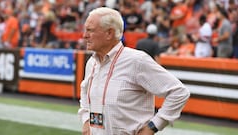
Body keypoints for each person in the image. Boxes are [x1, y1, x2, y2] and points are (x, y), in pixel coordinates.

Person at [78, 7, 190, 135]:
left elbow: (179, 92)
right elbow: (85, 90)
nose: (84, 35)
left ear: (109, 33)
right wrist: (86, 119)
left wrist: (153, 126)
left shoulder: (136, 61)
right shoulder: (92, 62)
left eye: (90, 30)